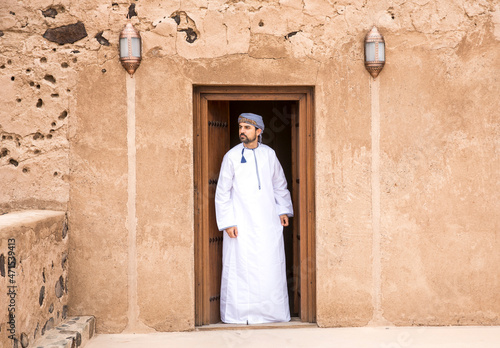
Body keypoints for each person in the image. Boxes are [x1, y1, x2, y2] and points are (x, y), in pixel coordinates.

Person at [215, 112, 293, 324]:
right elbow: (222, 192)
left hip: (267, 222)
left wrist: (283, 209)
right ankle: (240, 315)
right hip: (241, 223)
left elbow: (279, 184)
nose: (242, 131)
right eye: (240, 127)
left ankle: (271, 314)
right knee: (241, 266)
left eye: (247, 128)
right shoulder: (231, 156)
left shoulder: (269, 154)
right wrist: (228, 222)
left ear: (259, 131)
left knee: (269, 266)